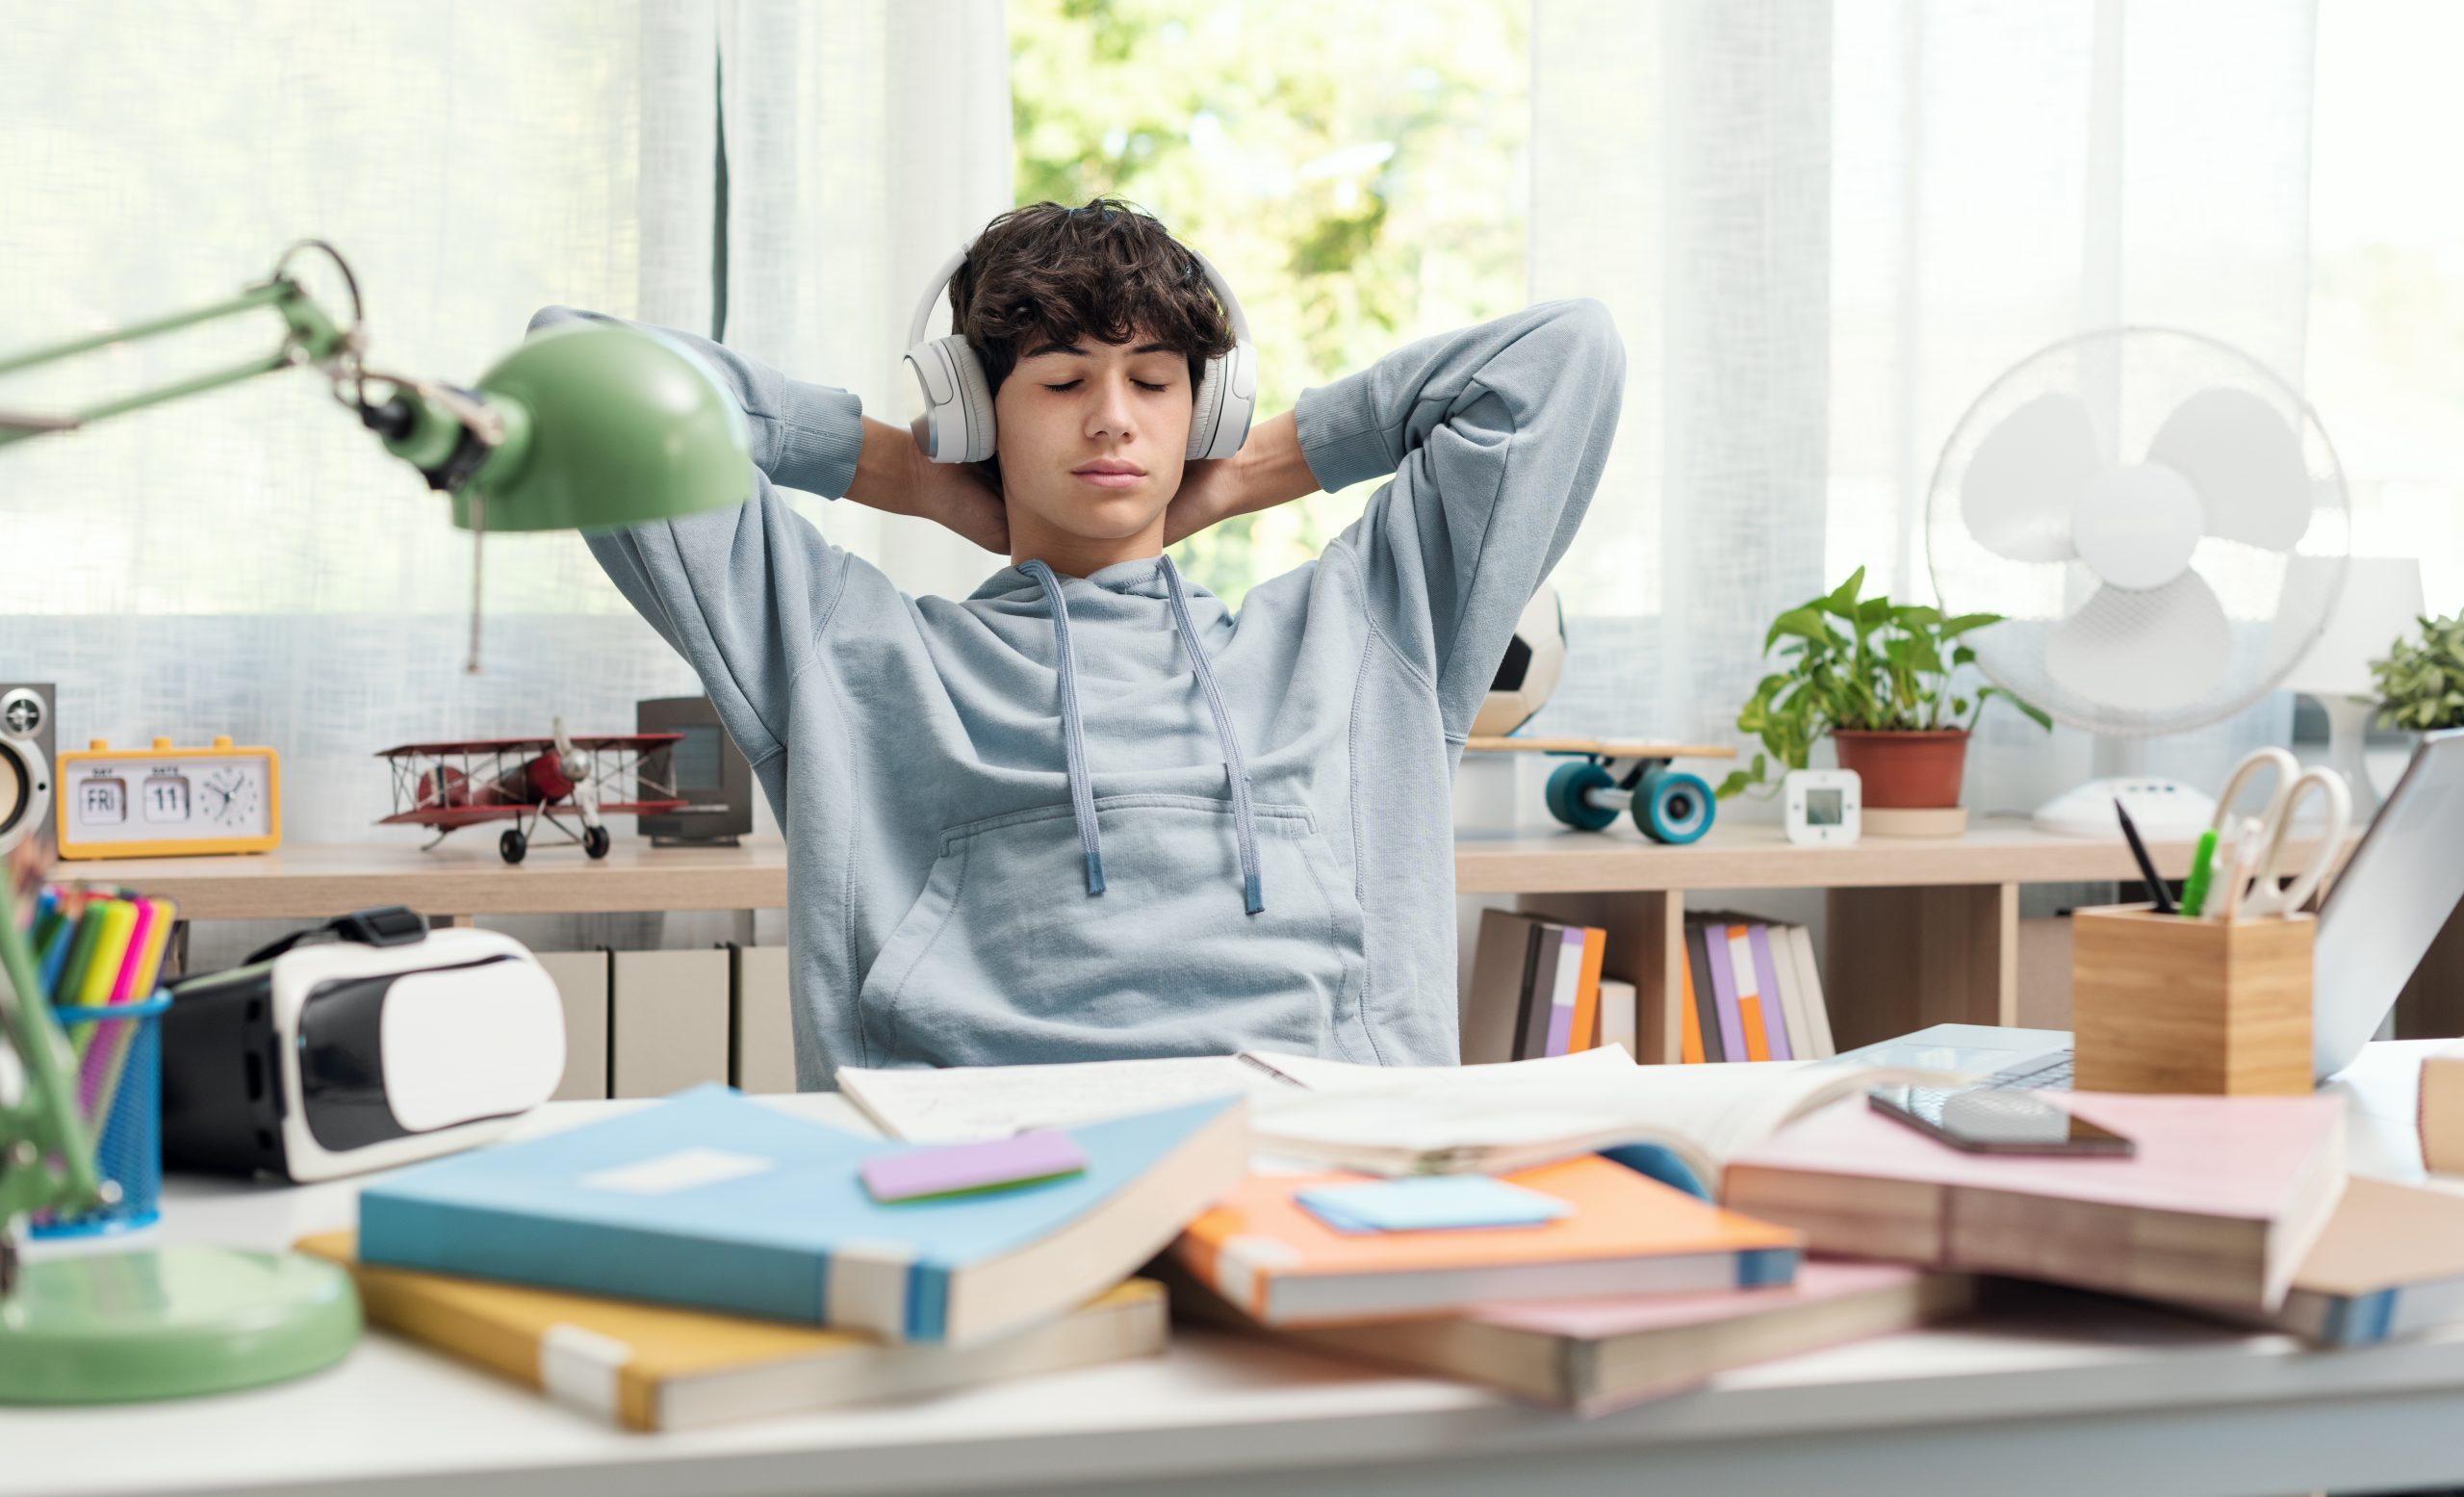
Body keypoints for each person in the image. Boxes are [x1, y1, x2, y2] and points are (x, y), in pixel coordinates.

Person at [535, 196, 1622, 1088]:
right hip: (979, 1163)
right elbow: (578, 380)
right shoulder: (853, 656)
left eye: (1154, 383)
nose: (1112, 418)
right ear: (973, 413)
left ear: (1204, 412)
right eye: (1060, 382)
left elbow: (1563, 358)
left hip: (1315, 1158)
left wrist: (1250, 470)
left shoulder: (1359, 637)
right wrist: (902, 471)